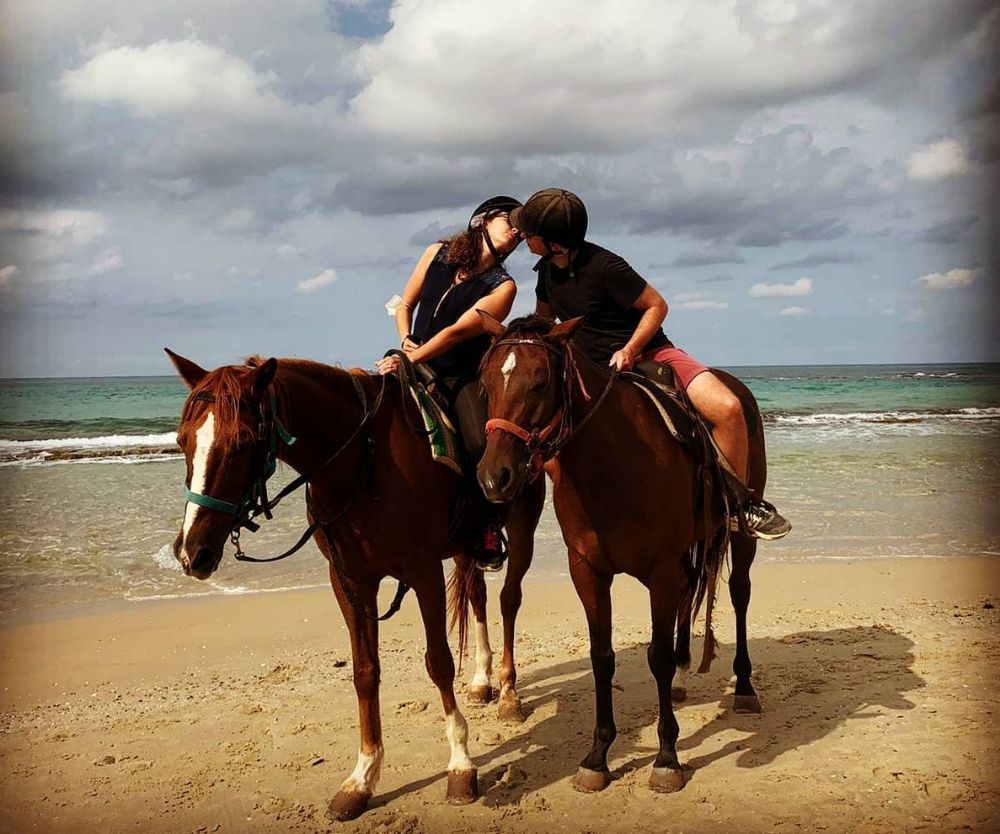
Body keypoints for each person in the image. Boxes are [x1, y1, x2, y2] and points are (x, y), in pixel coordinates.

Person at [509, 188, 791, 540]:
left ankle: (738, 504)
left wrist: (628, 350)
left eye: (529, 232)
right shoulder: (546, 271)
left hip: (649, 354)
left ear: (554, 242)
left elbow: (657, 305)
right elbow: (546, 322)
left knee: (729, 408)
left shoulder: (606, 267)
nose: (523, 236)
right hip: (587, 368)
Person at [375, 196, 524, 568]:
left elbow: (457, 333)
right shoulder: (436, 253)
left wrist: (408, 358)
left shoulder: (504, 287)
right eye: (511, 220)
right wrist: (405, 337)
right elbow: (405, 303)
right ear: (484, 220)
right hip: (411, 359)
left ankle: (487, 527)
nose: (517, 230)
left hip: (461, 375)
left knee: (479, 444)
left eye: (523, 230)